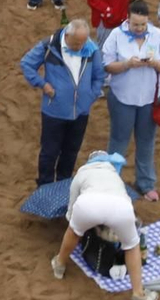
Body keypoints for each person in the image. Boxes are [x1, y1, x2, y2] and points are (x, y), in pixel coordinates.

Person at [49, 152, 157, 300]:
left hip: (87, 204)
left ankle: (59, 264)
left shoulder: (82, 173)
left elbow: (71, 210)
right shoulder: (114, 174)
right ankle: (138, 294)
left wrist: (79, 223)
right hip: (120, 208)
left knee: (73, 232)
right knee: (132, 246)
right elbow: (124, 200)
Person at [101, 0, 160, 200]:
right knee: (118, 141)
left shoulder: (158, 35)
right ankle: (110, 183)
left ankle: (145, 183)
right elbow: (107, 66)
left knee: (146, 141)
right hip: (123, 97)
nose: (139, 28)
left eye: (143, 24)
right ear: (128, 19)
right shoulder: (116, 35)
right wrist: (127, 64)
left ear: (148, 20)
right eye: (135, 24)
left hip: (151, 99)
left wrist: (155, 64)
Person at [23, 17, 105, 186]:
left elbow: (99, 76)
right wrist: (43, 84)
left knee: (71, 152)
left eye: (83, 42)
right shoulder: (49, 46)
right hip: (54, 111)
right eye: (76, 43)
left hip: (81, 112)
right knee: (49, 152)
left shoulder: (92, 49)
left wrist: (91, 95)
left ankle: (63, 185)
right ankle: (44, 187)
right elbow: (27, 64)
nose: (80, 47)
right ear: (67, 36)